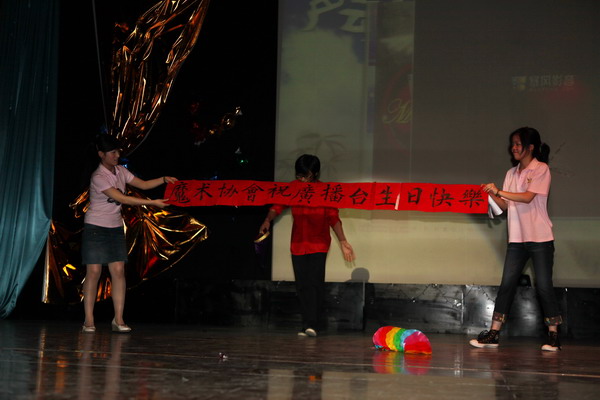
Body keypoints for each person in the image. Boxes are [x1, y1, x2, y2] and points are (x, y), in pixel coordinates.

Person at [470, 127, 562, 351]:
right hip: (517, 239)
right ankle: (494, 333)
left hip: (540, 238)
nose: (514, 148)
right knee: (507, 284)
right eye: (513, 143)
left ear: (531, 147)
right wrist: (491, 194)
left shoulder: (541, 169)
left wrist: (499, 191)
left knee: (544, 286)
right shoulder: (511, 173)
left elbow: (528, 197)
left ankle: (553, 335)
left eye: (518, 144)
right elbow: (504, 206)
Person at [81, 134, 177, 333]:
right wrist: (152, 203)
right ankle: (88, 320)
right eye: (112, 152)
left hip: (115, 227)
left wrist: (163, 179)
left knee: (118, 271)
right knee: (94, 272)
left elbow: (143, 184)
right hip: (95, 228)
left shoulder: (121, 171)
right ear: (101, 154)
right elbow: (122, 198)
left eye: (118, 151)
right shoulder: (98, 177)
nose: (117, 155)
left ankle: (118, 319)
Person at [259, 154, 355, 337]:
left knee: (314, 284)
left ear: (315, 174)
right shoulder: (293, 188)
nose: (302, 179)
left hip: (318, 244)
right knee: (302, 285)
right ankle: (306, 324)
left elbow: (333, 218)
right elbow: (276, 206)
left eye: (306, 176)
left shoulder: (325, 191)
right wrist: (267, 220)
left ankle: (313, 324)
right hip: (298, 244)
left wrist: (343, 241)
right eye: (299, 175)